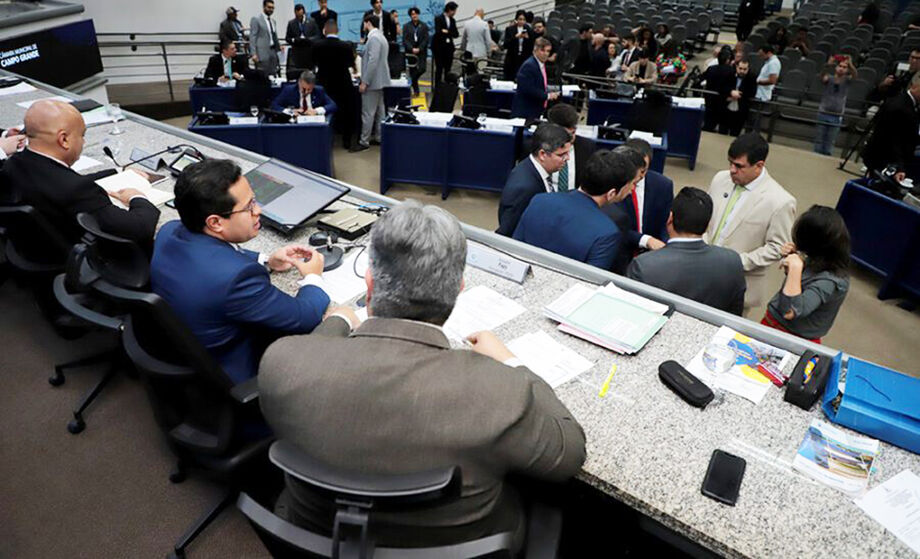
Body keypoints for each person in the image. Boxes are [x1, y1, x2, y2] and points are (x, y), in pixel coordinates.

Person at [259, 200, 585, 551]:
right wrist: (512, 363)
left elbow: (311, 351)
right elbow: (569, 453)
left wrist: (339, 320)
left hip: (317, 538)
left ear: (370, 282)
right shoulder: (500, 390)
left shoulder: (282, 362)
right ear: (458, 288)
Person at [150, 159, 340, 385]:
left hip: (182, 350)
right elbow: (304, 318)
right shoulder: (236, 279)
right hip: (235, 372)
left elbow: (215, 256)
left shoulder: (169, 231)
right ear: (215, 223)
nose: (258, 211)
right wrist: (313, 276)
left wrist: (267, 260)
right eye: (249, 207)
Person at [0, 100, 159, 246]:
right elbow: (139, 228)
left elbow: (62, 179)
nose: (84, 142)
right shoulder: (76, 190)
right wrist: (136, 197)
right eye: (82, 135)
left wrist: (116, 171)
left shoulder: (12, 164)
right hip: (90, 259)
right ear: (64, 140)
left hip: (32, 251)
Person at [704, 133, 796, 312]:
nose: (732, 170)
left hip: (737, 286)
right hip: (703, 273)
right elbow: (704, 217)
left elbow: (777, 247)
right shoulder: (720, 179)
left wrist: (737, 262)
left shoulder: (780, 201)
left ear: (759, 165)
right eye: (730, 163)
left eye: (739, 166)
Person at [628, 187, 746, 315]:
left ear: (670, 218)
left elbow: (630, 314)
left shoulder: (643, 266)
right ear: (707, 225)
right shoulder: (732, 261)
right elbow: (735, 315)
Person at [513, 149, 638, 270]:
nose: (632, 189)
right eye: (631, 184)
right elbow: (590, 279)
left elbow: (513, 250)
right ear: (611, 193)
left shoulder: (540, 200)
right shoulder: (607, 232)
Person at [761, 206, 850, 343]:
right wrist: (793, 258)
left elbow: (790, 311)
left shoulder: (830, 282)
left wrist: (795, 268)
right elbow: (799, 284)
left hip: (792, 340)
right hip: (772, 324)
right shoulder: (819, 258)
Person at [497, 123, 571, 236]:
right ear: (542, 154)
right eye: (562, 155)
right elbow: (509, 232)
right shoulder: (525, 189)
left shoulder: (532, 168)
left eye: (568, 153)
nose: (568, 158)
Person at [612, 139, 671, 255]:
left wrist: (665, 247)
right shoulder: (614, 185)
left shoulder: (663, 185)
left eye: (643, 170)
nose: (639, 175)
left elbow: (665, 224)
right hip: (620, 250)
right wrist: (646, 240)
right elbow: (614, 226)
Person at [862, 73, 920, 183]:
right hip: (884, 158)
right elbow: (893, 140)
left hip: (891, 157)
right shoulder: (899, 107)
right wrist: (899, 166)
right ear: (915, 86)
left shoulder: (909, 104)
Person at [313, 19, 357, 149]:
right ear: (337, 31)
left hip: (324, 83)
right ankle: (346, 141)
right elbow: (350, 63)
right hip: (343, 83)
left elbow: (313, 62)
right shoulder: (346, 46)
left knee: (324, 111)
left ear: (324, 30)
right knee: (346, 112)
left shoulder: (317, 46)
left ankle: (324, 140)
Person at [355, 13, 390, 152]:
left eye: (364, 23)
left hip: (373, 82)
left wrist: (365, 81)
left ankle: (364, 141)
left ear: (368, 23)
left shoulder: (373, 38)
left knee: (368, 113)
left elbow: (373, 61)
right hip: (381, 80)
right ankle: (380, 137)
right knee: (380, 111)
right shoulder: (381, 37)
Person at [546, 103, 596, 191]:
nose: (571, 138)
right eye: (566, 134)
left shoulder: (587, 147)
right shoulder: (538, 146)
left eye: (573, 132)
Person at [814, 56, 856, 156]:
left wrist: (850, 64)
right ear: (836, 67)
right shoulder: (829, 78)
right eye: (840, 66)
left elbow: (855, 74)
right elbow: (821, 77)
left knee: (830, 140)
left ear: (847, 70)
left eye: (844, 67)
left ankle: (827, 156)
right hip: (824, 112)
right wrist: (828, 65)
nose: (841, 68)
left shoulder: (847, 80)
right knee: (819, 139)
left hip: (837, 115)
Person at [510, 38, 559, 120]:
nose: (546, 54)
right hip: (526, 111)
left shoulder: (541, 64)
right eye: (542, 50)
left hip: (536, 109)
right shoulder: (529, 65)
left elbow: (542, 84)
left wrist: (555, 90)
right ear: (535, 50)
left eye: (548, 51)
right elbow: (527, 88)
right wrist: (547, 96)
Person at [271, 70, 337, 115]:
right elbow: (274, 105)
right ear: (299, 83)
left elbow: (333, 105)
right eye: (304, 89)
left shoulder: (319, 90)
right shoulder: (289, 90)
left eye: (309, 89)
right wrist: (291, 112)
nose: (306, 92)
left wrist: (316, 111)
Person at [702, 47, 735, 132]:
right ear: (728, 60)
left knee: (708, 123)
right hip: (723, 100)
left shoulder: (711, 68)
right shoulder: (731, 71)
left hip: (710, 98)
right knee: (723, 125)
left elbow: (703, 78)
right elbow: (731, 86)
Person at [721, 58, 757, 135]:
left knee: (735, 132)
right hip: (726, 108)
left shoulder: (752, 77)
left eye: (745, 69)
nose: (742, 71)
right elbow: (722, 87)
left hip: (741, 110)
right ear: (736, 67)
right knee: (722, 131)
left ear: (748, 69)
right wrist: (731, 92)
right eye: (740, 68)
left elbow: (752, 92)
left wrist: (739, 95)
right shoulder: (729, 74)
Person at [430, 2, 459, 88]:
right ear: (449, 10)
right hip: (439, 47)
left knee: (448, 68)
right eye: (454, 10)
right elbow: (439, 31)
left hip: (449, 48)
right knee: (439, 68)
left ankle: (447, 87)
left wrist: (447, 31)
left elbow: (456, 34)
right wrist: (448, 32)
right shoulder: (438, 18)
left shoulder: (452, 20)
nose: (455, 13)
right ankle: (437, 87)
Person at [249, 0, 281, 75]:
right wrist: (253, 53)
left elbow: (274, 36)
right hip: (261, 53)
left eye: (272, 8)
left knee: (273, 74)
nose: (271, 9)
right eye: (269, 7)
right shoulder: (256, 19)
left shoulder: (273, 21)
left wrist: (279, 47)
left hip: (273, 52)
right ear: (264, 7)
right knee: (262, 75)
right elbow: (253, 37)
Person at [403, 7, 429, 96]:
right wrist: (411, 49)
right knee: (412, 70)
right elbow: (405, 40)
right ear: (410, 16)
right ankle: (416, 91)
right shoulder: (406, 26)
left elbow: (426, 39)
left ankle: (412, 79)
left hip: (421, 51)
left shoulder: (424, 26)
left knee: (422, 69)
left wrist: (420, 48)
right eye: (412, 14)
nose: (414, 16)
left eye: (416, 14)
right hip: (411, 52)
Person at [502, 10, 533, 80]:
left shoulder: (529, 30)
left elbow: (531, 45)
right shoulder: (510, 29)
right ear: (516, 19)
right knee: (510, 77)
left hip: (524, 58)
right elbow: (506, 45)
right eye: (520, 19)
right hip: (512, 58)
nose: (522, 21)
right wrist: (515, 37)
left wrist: (527, 38)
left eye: (524, 20)